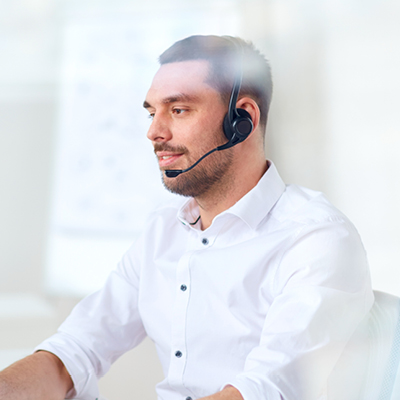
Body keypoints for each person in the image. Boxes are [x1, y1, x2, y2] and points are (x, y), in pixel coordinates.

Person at [0, 35, 373, 400]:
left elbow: (263, 392)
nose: (154, 132)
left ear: (242, 118)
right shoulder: (163, 232)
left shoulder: (315, 239)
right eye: (151, 112)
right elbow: (74, 352)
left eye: (178, 110)